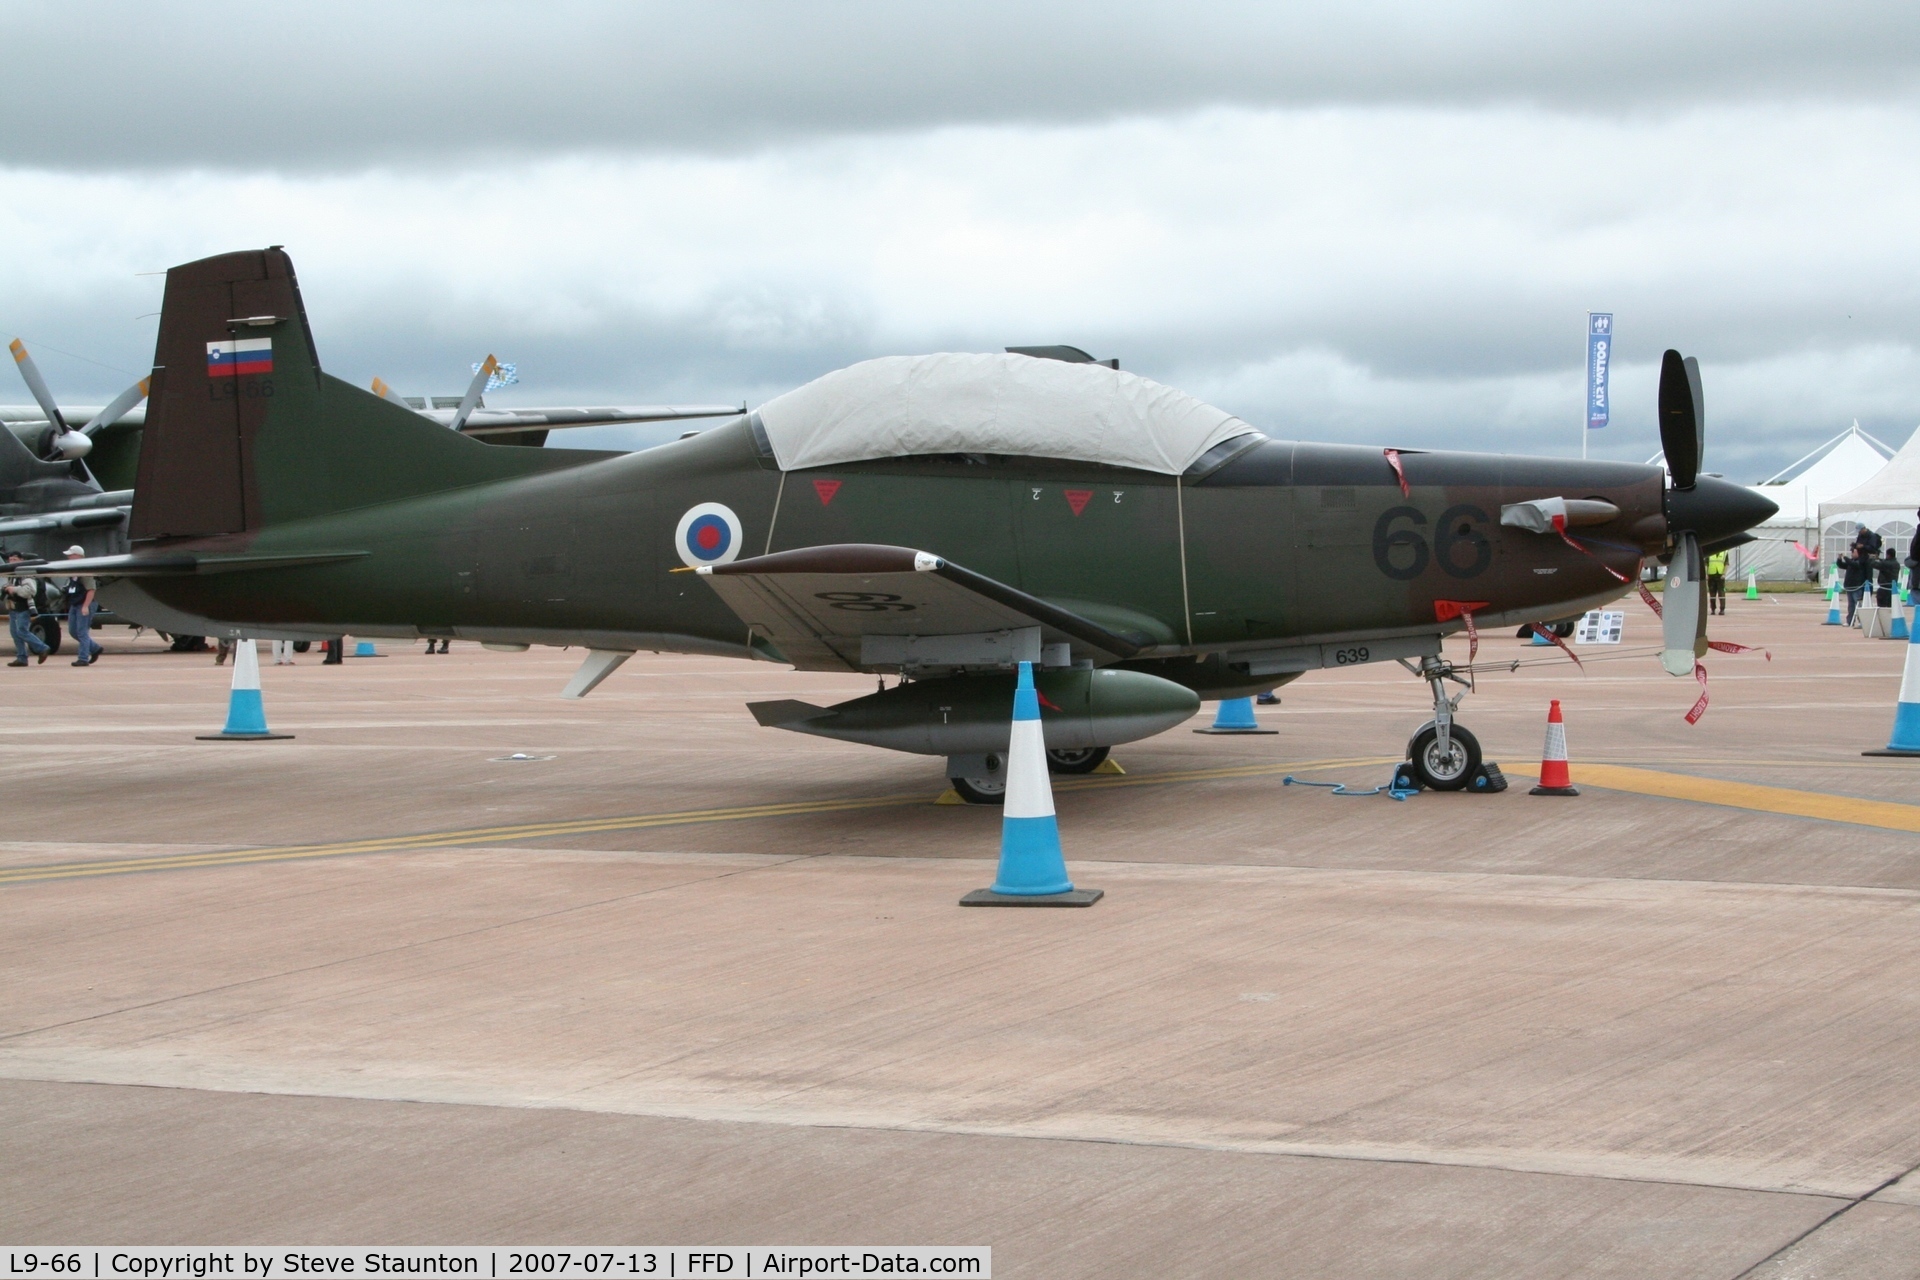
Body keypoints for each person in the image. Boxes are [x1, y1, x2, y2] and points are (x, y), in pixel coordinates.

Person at [5, 552, 49, 666]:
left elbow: (30, 590)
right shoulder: (11, 574)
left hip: (23, 607)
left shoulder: (25, 574)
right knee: (15, 633)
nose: (12, 562)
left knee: (22, 631)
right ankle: (21, 657)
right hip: (13, 607)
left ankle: (42, 648)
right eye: (10, 560)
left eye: (15, 559)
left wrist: (13, 589)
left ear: (21, 560)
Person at [61, 546, 102, 665]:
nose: (68, 557)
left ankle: (83, 658)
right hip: (75, 603)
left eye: (71, 555)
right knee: (73, 631)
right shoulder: (73, 571)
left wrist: (85, 606)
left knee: (82, 631)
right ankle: (95, 648)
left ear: (78, 556)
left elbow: (91, 590)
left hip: (85, 603)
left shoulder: (85, 571)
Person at [1837, 547, 1871, 627]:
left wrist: (1845, 557)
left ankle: (1861, 621)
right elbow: (1842, 565)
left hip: (1857, 586)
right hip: (1849, 586)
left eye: (1854, 552)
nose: (1852, 553)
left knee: (1858, 605)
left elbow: (1853, 564)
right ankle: (1849, 621)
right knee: (1851, 605)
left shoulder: (1860, 562)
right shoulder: (1851, 561)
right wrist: (1839, 559)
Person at [1705, 550, 1729, 616]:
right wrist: (1706, 574)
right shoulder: (1709, 552)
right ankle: (1713, 609)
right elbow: (1706, 564)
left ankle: (1722, 609)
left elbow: (1726, 564)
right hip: (1711, 575)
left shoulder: (1725, 552)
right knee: (1712, 594)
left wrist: (1724, 574)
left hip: (1720, 575)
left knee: (1721, 593)